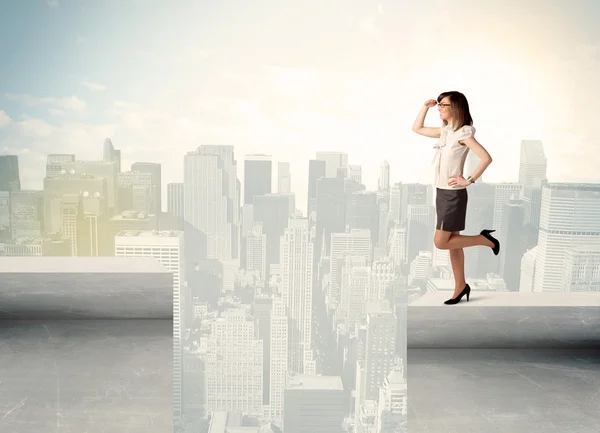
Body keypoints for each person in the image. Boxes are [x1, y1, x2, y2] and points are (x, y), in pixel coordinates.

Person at [412, 91, 500, 305]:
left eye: (444, 105)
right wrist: (425, 106)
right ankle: (461, 286)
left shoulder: (463, 133)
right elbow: (417, 128)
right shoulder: (446, 132)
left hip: (453, 195)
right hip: (442, 193)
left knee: (441, 243)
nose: (440, 108)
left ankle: (484, 240)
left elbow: (486, 158)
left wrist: (468, 179)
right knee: (453, 244)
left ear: (456, 108)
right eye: (439, 104)